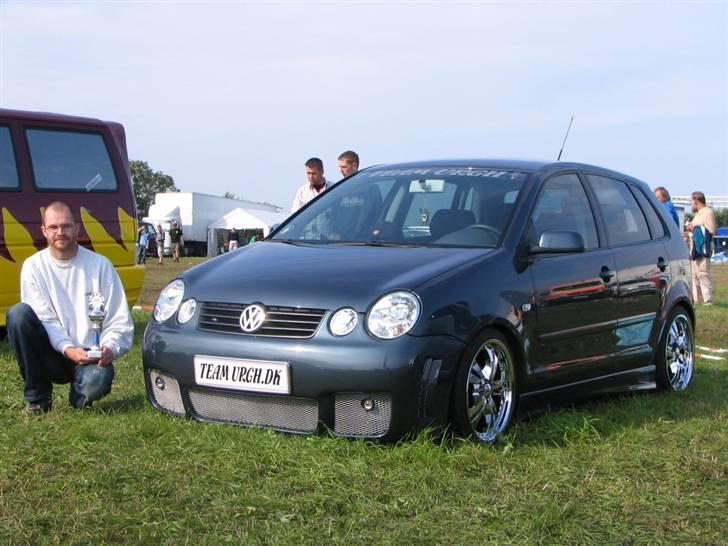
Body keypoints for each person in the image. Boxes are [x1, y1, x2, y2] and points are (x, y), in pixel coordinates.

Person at [6, 201, 133, 414]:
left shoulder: (101, 266)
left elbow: (119, 319)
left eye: (66, 226)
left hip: (88, 354)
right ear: (44, 231)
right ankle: (38, 399)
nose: (60, 232)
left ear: (77, 228)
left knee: (97, 379)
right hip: (52, 350)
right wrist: (68, 348)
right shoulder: (33, 266)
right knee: (18, 315)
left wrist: (110, 347)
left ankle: (80, 397)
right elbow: (43, 318)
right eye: (53, 227)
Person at [685, 191, 717, 305]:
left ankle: (707, 300)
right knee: (694, 275)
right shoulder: (697, 214)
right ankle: (696, 299)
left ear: (696, 200)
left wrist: (695, 230)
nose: (691, 205)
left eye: (691, 202)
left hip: (702, 248)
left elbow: (710, 231)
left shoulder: (708, 213)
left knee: (703, 273)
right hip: (694, 249)